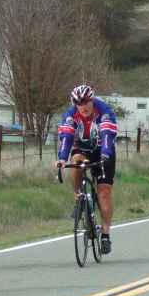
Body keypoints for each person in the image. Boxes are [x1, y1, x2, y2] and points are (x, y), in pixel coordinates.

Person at [55, 85, 118, 255]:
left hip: (102, 151)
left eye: (85, 102)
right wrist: (62, 158)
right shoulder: (71, 115)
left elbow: (106, 135)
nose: (83, 107)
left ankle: (105, 235)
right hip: (82, 150)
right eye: (78, 104)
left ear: (92, 100)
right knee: (75, 163)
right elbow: (67, 138)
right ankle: (78, 198)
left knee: (104, 193)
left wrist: (105, 155)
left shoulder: (104, 111)